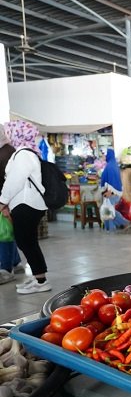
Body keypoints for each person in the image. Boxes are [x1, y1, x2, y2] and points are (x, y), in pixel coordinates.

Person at [0, 120, 52, 294]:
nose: (7, 135)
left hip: (26, 204)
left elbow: (15, 181)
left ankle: (42, 281)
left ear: (17, 134)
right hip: (25, 204)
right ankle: (39, 277)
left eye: (9, 132)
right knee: (27, 242)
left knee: (26, 242)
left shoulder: (23, 154)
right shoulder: (23, 153)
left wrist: (2, 201)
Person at [0, 124, 22, 284]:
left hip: (5, 200)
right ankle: (16, 262)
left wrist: (4, 204)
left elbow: (9, 180)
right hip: (5, 199)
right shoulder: (8, 149)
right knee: (6, 231)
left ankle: (6, 270)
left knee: (3, 235)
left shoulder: (6, 152)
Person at [100, 148, 131, 231]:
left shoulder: (110, 166)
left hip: (111, 192)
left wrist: (110, 192)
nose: (103, 156)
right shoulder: (112, 164)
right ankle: (115, 226)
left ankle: (123, 223)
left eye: (104, 155)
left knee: (109, 211)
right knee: (109, 210)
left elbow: (112, 181)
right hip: (112, 192)